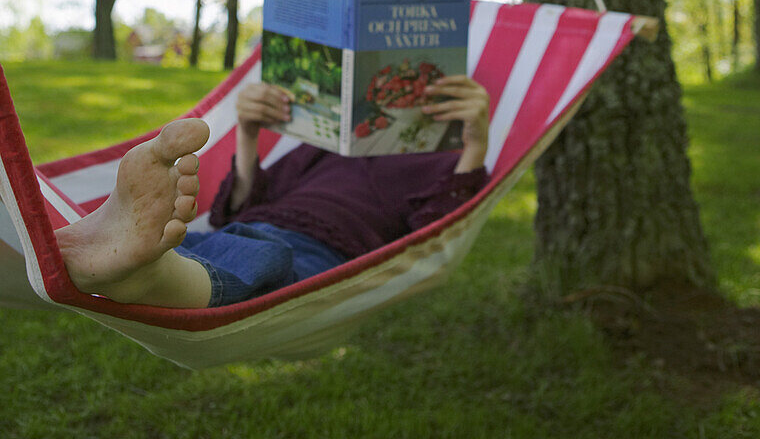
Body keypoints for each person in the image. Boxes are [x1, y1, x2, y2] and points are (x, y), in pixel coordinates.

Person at [55, 75, 490, 309]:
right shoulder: (325, 145)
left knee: (266, 257)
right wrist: (247, 134)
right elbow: (237, 211)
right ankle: (128, 256)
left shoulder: (445, 166)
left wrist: (474, 146)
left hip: (323, 253)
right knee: (208, 240)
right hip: (247, 227)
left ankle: (144, 272)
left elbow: (434, 241)